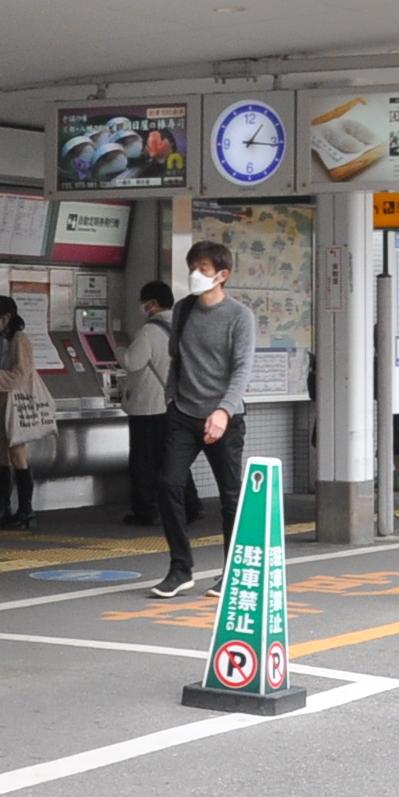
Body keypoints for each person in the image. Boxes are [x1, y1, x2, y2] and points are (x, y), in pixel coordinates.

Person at [151, 240, 254, 599]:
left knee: (230, 497)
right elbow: (175, 358)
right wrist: (170, 398)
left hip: (225, 417)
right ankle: (181, 569)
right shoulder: (182, 310)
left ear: (222, 275)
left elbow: (242, 370)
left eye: (204, 269)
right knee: (167, 484)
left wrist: (223, 411)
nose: (195, 274)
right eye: (192, 267)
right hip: (184, 412)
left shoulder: (240, 316)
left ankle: (233, 572)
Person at [117, 281, 190, 526]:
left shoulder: (149, 331)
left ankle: (145, 510)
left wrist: (118, 351)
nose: (142, 307)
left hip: (148, 407)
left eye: (144, 302)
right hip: (175, 405)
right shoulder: (181, 326)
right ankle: (191, 505)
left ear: (153, 304)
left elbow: (133, 362)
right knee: (173, 458)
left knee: (143, 462)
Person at [0, 295, 48, 531]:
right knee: (2, 456)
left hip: (15, 404)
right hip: (0, 403)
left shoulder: (19, 340)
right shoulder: (1, 339)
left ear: (7, 317)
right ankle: (4, 509)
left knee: (17, 456)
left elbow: (22, 372)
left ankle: (26, 510)